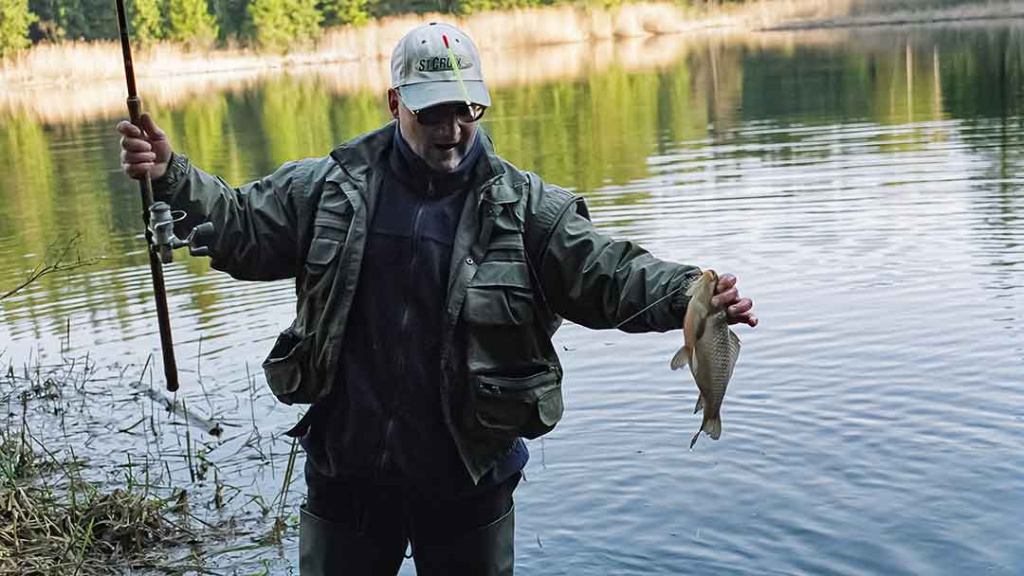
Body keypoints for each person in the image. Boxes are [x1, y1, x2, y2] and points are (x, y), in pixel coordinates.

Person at [117, 22, 756, 576]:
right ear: (395, 101)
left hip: (467, 476)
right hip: (347, 472)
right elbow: (240, 227)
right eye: (432, 112)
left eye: (466, 110)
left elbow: (608, 272)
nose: (452, 130)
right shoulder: (326, 188)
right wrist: (174, 174)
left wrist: (691, 296)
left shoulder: (527, 208)